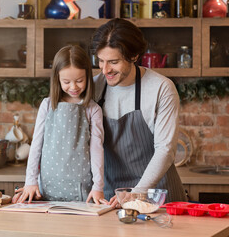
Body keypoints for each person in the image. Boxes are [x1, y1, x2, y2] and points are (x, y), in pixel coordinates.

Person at [91, 18, 187, 207]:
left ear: (134, 56)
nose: (105, 70)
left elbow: (165, 149)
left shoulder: (161, 88)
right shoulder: (94, 87)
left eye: (113, 62)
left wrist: (138, 192)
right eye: (100, 61)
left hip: (157, 196)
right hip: (111, 199)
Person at [12, 45, 105, 204]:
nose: (74, 87)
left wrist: (98, 186)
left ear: (88, 77)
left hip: (81, 188)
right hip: (47, 187)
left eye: (79, 80)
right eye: (66, 81)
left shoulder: (93, 109)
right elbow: (36, 145)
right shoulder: (47, 105)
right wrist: (30, 181)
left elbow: (97, 150)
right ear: (57, 79)